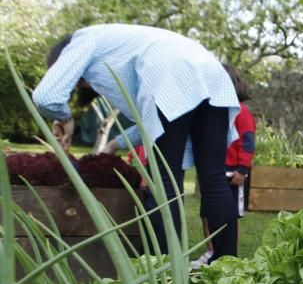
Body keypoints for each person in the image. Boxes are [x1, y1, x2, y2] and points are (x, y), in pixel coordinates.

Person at [33, 24, 240, 261]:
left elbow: (46, 96)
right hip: (212, 73)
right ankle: (228, 269)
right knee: (214, 179)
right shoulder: (120, 42)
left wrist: (64, 118)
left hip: (170, 73)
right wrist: (115, 144)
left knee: (162, 182)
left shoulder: (83, 39)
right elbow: (155, 119)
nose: (87, 85)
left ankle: (166, 273)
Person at [191, 64, 255, 268]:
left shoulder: (242, 112)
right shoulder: (215, 112)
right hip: (213, 170)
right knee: (207, 214)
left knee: (229, 216)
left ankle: (229, 256)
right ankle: (212, 252)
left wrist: (243, 168)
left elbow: (248, 141)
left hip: (232, 172)